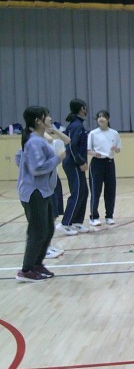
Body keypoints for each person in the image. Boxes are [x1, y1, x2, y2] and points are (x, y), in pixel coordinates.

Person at [15, 106, 66, 282]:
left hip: (44, 191)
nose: (50, 119)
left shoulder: (36, 140)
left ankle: (37, 264)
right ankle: (26, 270)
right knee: (37, 231)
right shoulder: (34, 142)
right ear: (38, 121)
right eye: (47, 116)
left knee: (48, 229)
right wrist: (58, 158)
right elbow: (37, 168)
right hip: (34, 192)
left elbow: (19, 158)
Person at [59, 99, 90, 236]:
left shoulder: (78, 125)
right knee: (77, 192)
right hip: (73, 164)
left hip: (77, 163)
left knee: (84, 192)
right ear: (82, 108)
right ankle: (65, 223)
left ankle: (77, 221)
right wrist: (81, 161)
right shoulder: (76, 126)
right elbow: (72, 146)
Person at [87, 110, 122, 226]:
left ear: (108, 119)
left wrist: (115, 149)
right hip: (97, 163)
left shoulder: (114, 133)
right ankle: (94, 217)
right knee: (95, 190)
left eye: (103, 117)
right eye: (99, 117)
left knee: (110, 190)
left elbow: (119, 148)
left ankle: (109, 216)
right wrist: (94, 153)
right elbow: (88, 150)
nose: (101, 119)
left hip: (109, 162)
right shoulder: (93, 133)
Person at [43, 119, 70, 259]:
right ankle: (43, 248)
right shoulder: (36, 139)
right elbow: (47, 139)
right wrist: (45, 131)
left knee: (53, 215)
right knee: (46, 216)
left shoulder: (55, 141)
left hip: (54, 178)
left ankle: (48, 244)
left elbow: (67, 140)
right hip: (43, 181)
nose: (50, 121)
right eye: (47, 119)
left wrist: (54, 130)